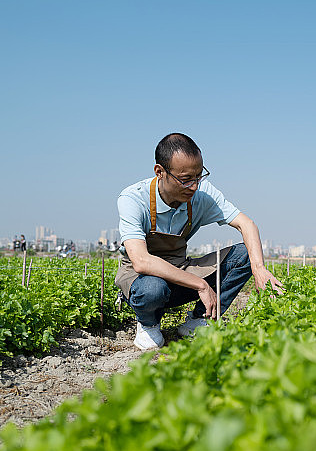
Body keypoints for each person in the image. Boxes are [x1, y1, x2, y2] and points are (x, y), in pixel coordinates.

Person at [115, 132, 283, 350]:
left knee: (244, 255)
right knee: (153, 288)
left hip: (180, 270)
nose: (194, 186)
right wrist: (201, 285)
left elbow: (246, 224)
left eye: (198, 176)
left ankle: (199, 319)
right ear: (160, 172)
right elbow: (141, 261)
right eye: (185, 179)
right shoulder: (133, 199)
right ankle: (148, 323)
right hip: (141, 278)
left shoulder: (202, 194)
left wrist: (259, 269)